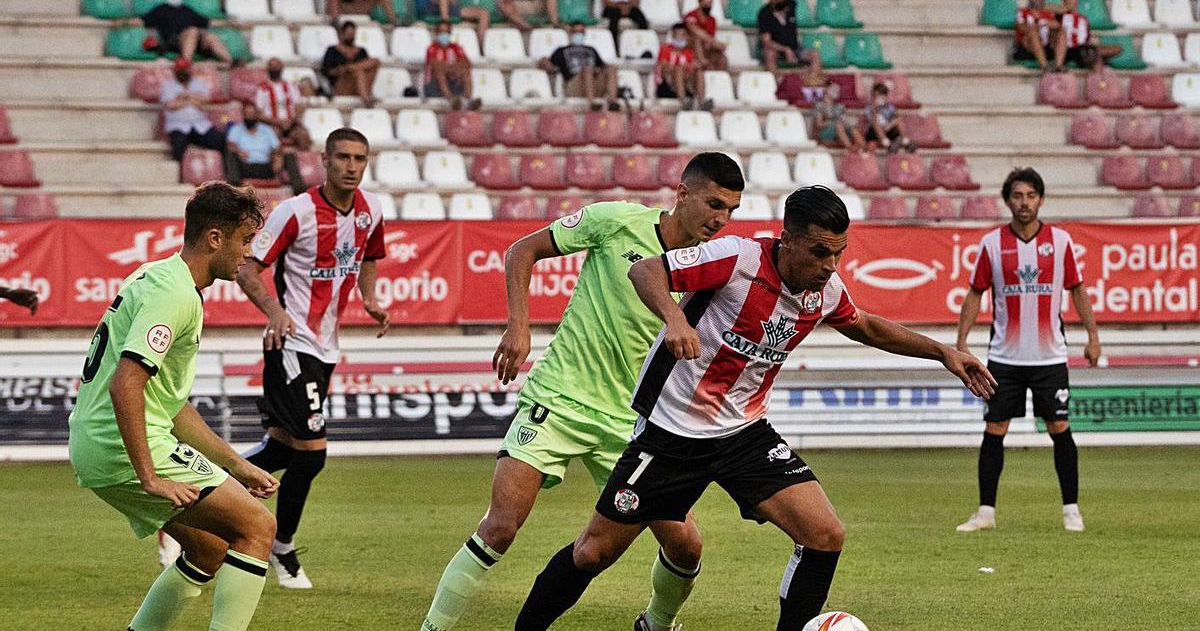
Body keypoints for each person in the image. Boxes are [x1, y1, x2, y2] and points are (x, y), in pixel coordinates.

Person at [513, 186, 997, 630]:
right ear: (787, 240)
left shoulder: (824, 290)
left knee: (824, 534)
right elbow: (646, 270)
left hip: (744, 433)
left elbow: (866, 326)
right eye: (821, 252)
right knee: (594, 553)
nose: (832, 265)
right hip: (671, 432)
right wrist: (675, 318)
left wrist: (943, 353)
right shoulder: (736, 257)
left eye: (839, 253)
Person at [421, 153, 745, 631]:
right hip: (559, 398)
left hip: (630, 423)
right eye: (714, 203)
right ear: (683, 194)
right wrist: (519, 326)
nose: (721, 219)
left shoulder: (711, 268)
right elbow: (520, 251)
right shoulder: (615, 221)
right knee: (501, 526)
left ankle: (655, 624)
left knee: (686, 544)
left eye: (732, 210)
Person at [68, 182, 278, 631]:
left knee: (209, 548)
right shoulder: (175, 294)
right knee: (257, 528)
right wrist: (151, 476)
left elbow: (170, 405)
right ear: (214, 238)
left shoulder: (159, 275)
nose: (247, 254)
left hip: (96, 442)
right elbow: (126, 384)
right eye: (244, 241)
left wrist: (237, 465)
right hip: (121, 445)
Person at [235, 128, 391, 589]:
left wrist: (370, 297)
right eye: (342, 156)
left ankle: (197, 494)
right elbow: (247, 266)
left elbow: (369, 257)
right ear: (323, 160)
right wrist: (275, 312)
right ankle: (280, 547)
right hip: (291, 345)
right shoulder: (295, 211)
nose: (350, 166)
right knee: (314, 454)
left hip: (326, 348)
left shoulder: (372, 210)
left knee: (282, 450)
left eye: (359, 158)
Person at [955, 168, 1100, 534]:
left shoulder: (1061, 241)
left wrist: (1093, 336)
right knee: (994, 429)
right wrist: (960, 343)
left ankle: (1071, 510)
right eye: (1018, 196)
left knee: (1059, 427)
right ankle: (985, 512)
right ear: (1008, 200)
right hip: (1004, 358)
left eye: (1031, 195)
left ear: (1041, 199)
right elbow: (976, 293)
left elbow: (1077, 289)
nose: (1024, 202)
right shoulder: (991, 244)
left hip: (1050, 357)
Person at [140, 0, 235, 67]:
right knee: (193, 31)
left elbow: (208, 22)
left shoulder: (188, 10)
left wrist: (232, 24)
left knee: (210, 36)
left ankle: (232, 62)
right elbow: (141, 21)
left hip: (195, 40)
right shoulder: (160, 10)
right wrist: (126, 22)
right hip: (174, 41)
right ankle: (185, 65)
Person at [224, 101, 304, 191]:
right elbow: (229, 145)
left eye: (252, 114)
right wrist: (238, 151)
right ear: (243, 115)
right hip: (246, 167)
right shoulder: (236, 129)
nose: (249, 116)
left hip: (266, 166)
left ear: (256, 115)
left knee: (289, 156)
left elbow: (277, 147)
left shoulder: (267, 129)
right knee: (231, 155)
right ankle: (233, 193)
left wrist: (278, 156)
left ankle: (299, 192)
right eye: (247, 114)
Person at [540, 22, 620, 111]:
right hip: (574, 84)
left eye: (581, 32)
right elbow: (549, 65)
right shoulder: (561, 50)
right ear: (570, 33)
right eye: (576, 32)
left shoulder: (591, 49)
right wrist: (543, 61)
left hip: (593, 82)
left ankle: (613, 102)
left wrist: (598, 70)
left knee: (612, 68)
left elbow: (602, 66)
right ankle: (592, 103)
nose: (579, 34)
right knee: (587, 69)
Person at [161, 57, 226, 162]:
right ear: (175, 70)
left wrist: (185, 96)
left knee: (220, 140)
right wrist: (194, 100)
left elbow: (205, 101)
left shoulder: (199, 83)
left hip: (200, 125)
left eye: (185, 69)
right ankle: (180, 176)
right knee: (178, 146)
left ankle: (223, 173)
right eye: (180, 69)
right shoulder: (168, 85)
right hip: (178, 126)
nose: (183, 72)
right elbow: (171, 105)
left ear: (190, 70)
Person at [1053, 0, 1121, 73]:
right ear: (1063, 0)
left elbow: (1086, 38)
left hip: (1082, 48)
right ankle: (1098, 72)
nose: (1069, 1)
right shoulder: (1059, 15)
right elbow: (1044, 9)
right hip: (1066, 48)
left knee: (1117, 48)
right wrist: (1063, 8)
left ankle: (1092, 58)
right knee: (1094, 55)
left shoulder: (1083, 19)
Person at [255, 57, 313, 157]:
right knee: (272, 136)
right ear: (267, 69)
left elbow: (299, 107)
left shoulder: (291, 86)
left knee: (303, 134)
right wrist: (278, 122)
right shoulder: (262, 88)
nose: (274, 68)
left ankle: (305, 164)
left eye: (276, 65)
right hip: (273, 124)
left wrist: (290, 121)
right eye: (272, 66)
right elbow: (259, 114)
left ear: (282, 67)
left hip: (292, 123)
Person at [425, 20, 481, 111]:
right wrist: (454, 68)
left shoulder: (456, 47)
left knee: (465, 72)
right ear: (437, 33)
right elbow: (436, 65)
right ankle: (451, 101)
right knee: (439, 72)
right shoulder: (432, 48)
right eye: (441, 32)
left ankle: (468, 101)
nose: (444, 35)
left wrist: (453, 69)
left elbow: (467, 63)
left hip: (453, 82)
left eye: (446, 32)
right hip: (434, 86)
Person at [321, 20, 381, 105]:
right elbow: (325, 71)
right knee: (358, 72)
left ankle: (363, 91)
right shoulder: (332, 50)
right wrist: (341, 70)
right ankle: (366, 99)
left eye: (352, 34)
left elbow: (369, 66)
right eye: (348, 34)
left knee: (375, 62)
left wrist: (350, 68)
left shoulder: (361, 51)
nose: (351, 37)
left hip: (360, 84)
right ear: (342, 34)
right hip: (342, 85)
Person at [655, 23, 711, 111]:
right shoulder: (665, 49)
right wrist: (685, 67)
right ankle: (683, 101)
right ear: (673, 36)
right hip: (668, 86)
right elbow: (664, 68)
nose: (681, 37)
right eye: (679, 35)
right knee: (679, 68)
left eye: (684, 35)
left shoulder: (688, 52)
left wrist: (691, 67)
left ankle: (701, 101)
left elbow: (694, 67)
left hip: (685, 84)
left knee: (699, 71)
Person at [758, 0, 805, 76]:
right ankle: (777, 85)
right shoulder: (764, 14)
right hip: (777, 49)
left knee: (814, 54)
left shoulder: (791, 5)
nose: (780, 2)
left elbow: (792, 2)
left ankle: (814, 83)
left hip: (795, 47)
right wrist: (785, 49)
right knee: (769, 54)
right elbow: (766, 41)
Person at [1014, 0, 1059, 72]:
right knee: (1033, 32)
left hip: (1045, 45)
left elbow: (1056, 25)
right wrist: (1040, 25)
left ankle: (1059, 66)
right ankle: (1045, 67)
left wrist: (1046, 23)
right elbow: (1021, 27)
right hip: (1027, 48)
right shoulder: (1023, 12)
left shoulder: (1048, 13)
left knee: (1060, 32)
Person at [813, 81, 864, 151]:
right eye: (834, 89)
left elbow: (844, 120)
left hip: (841, 132)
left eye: (838, 90)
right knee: (838, 125)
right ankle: (850, 148)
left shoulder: (840, 106)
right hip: (826, 132)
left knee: (852, 128)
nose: (837, 91)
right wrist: (833, 122)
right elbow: (819, 124)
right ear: (826, 89)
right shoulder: (819, 105)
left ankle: (864, 147)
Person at [864, 82, 914, 153]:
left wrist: (889, 125)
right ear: (873, 97)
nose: (879, 98)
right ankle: (887, 144)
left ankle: (905, 141)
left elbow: (896, 117)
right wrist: (875, 108)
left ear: (885, 96)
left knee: (899, 120)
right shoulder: (868, 108)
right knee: (875, 123)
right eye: (876, 96)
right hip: (874, 132)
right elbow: (871, 121)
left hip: (887, 129)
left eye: (881, 95)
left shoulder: (890, 107)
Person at [682, 0, 726, 70]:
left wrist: (715, 44)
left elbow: (710, 37)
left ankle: (719, 78)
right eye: (706, 3)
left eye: (710, 3)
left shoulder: (712, 20)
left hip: (705, 47)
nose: (708, 5)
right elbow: (694, 30)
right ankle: (702, 62)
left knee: (722, 57)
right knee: (697, 39)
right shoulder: (691, 15)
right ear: (700, 2)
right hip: (690, 47)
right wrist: (713, 41)